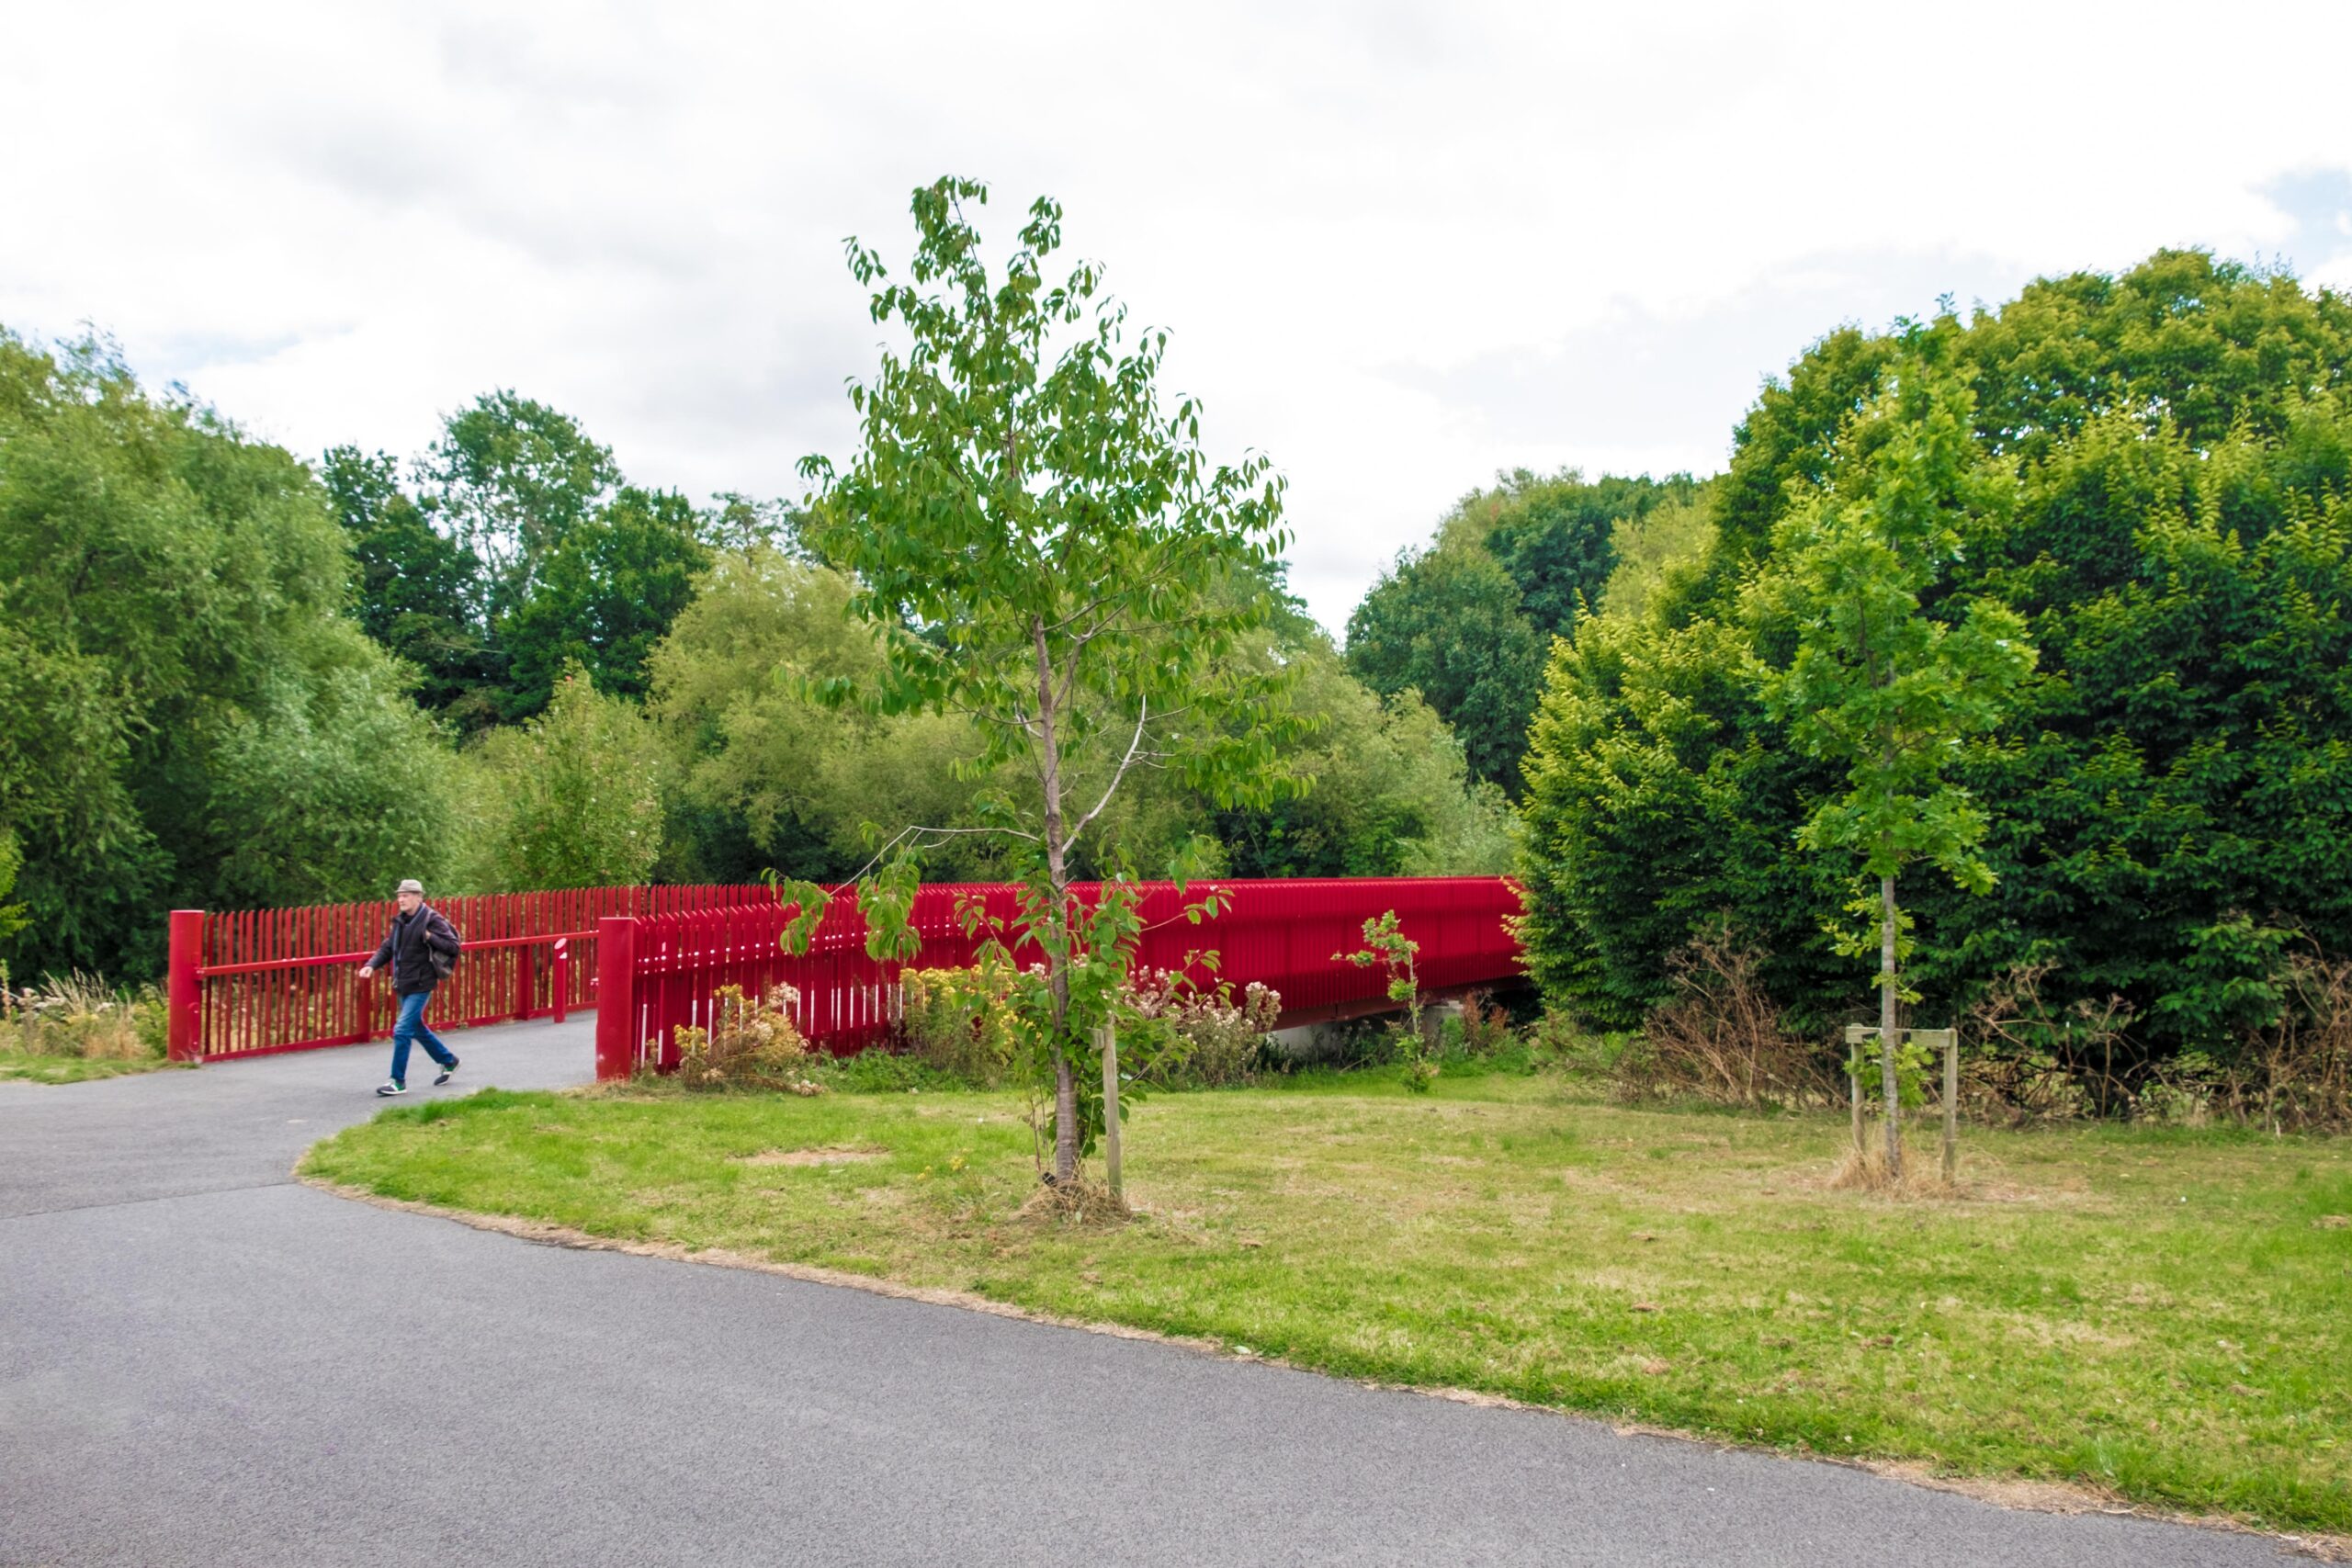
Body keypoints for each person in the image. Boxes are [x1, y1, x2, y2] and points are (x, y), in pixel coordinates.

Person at [357, 878, 462, 1096]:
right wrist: (371, 965)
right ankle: (448, 1060)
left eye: (405, 895)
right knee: (416, 1028)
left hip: (422, 983)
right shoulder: (401, 921)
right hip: (403, 982)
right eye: (399, 895)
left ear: (418, 897)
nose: (401, 899)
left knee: (402, 1029)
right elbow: (388, 947)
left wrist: (430, 937)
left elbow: (453, 946)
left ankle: (397, 1081)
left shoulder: (432, 920)